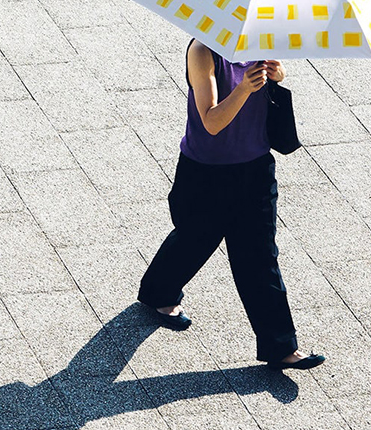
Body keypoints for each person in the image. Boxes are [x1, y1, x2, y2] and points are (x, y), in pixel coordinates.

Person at [137, 38, 324, 371]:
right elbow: (210, 122)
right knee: (195, 239)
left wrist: (275, 77)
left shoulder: (263, 43)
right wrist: (243, 89)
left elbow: (266, 98)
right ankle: (157, 293)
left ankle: (281, 347)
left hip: (255, 169)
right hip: (205, 173)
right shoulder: (202, 52)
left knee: (259, 256)